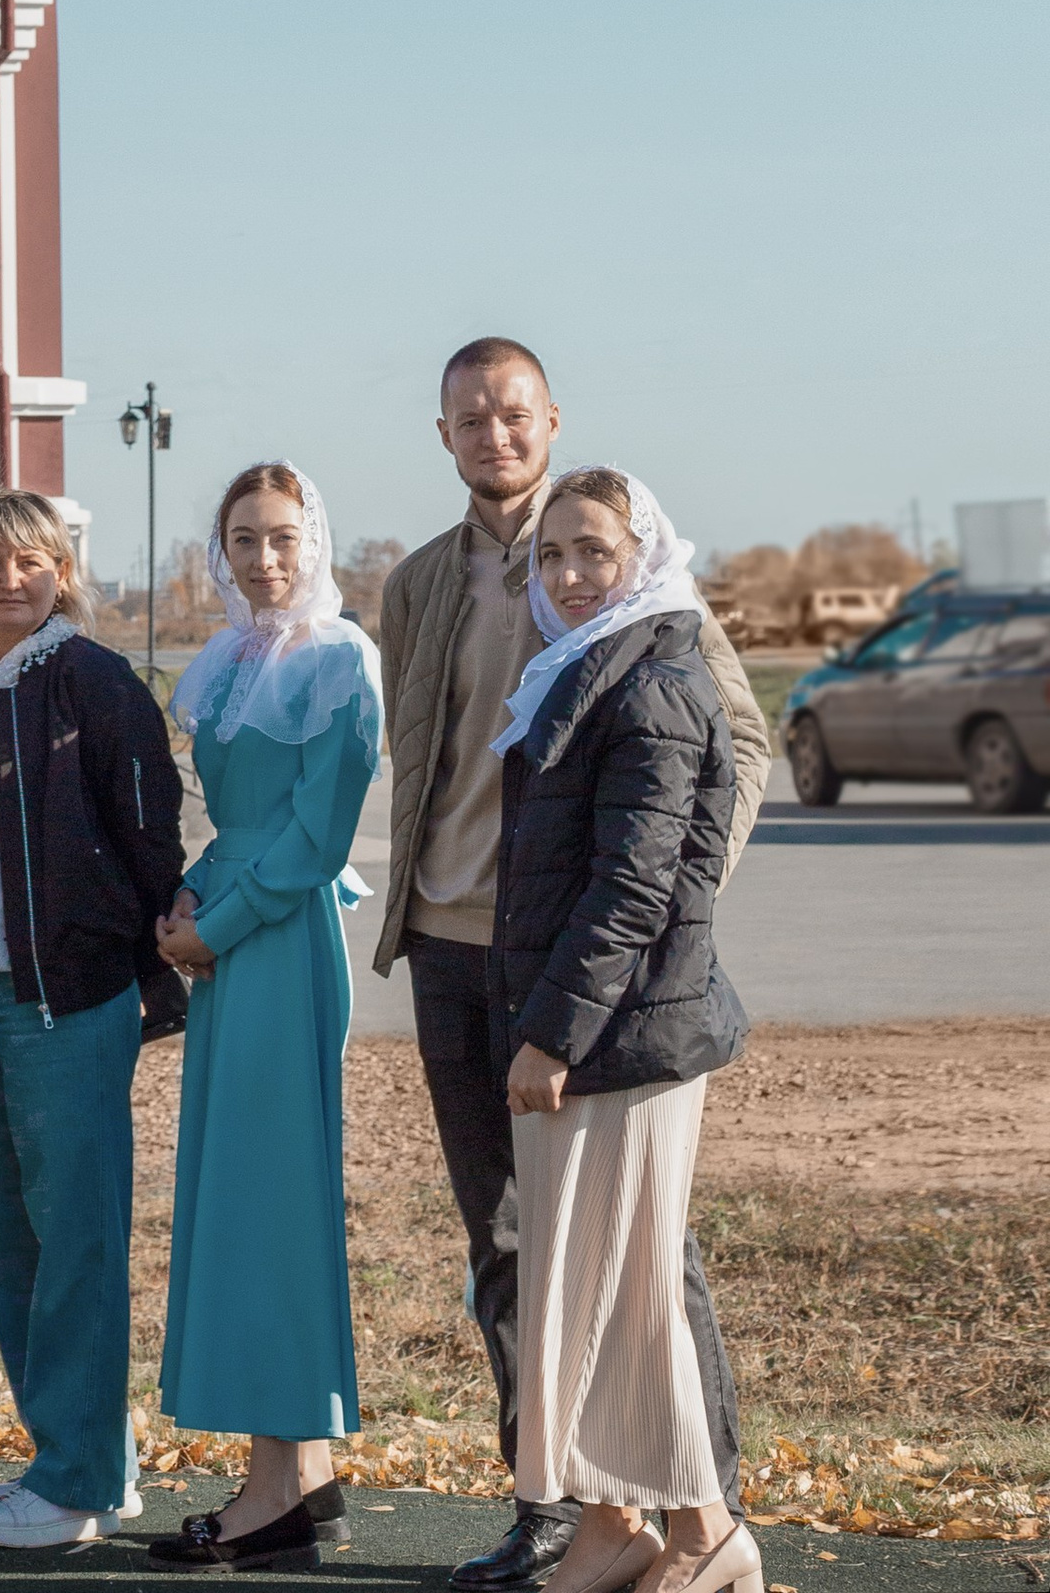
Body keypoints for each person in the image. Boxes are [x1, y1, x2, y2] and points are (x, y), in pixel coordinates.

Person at [375, 342, 769, 1593]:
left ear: (551, 421)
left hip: (580, 964)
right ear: (440, 434)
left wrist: (665, 914)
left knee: (640, 1253)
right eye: (468, 416)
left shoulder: (622, 559)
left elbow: (732, 745)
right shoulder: (423, 581)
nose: (493, 432)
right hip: (450, 946)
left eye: (513, 412)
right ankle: (558, 1505)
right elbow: (421, 751)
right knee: (503, 1244)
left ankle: (701, 1505)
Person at [494, 469, 755, 1593]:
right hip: (596, 1034)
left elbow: (632, 892)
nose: (567, 573)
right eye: (552, 554)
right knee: (600, 1293)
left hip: (620, 1044)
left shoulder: (652, 677)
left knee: (624, 1293)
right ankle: (615, 1526)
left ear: (641, 551)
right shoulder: (580, 668)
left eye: (592, 550)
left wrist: (550, 1035)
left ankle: (705, 1536)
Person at [0, 488, 186, 1552]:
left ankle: (71, 1480)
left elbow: (148, 835)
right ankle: (83, 1455)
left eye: (30, 560)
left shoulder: (93, 681)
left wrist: (148, 973)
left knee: (74, 1239)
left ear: (62, 570)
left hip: (63, 999)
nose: (10, 578)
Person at [147, 463, 381, 1573]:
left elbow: (314, 839)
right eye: (243, 538)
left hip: (278, 942)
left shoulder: (341, 660)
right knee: (238, 1194)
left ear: (314, 541)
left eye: (282, 537)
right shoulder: (234, 656)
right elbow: (238, 821)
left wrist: (220, 921)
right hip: (231, 932)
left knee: (270, 1202)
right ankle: (301, 1476)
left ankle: (275, 1485)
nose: (263, 558)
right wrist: (189, 889)